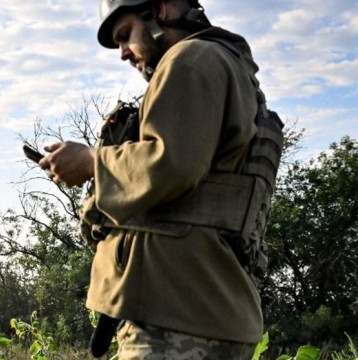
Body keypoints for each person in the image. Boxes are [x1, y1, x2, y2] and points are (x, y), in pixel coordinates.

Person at [38, 0, 283, 358]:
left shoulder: (189, 59)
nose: (123, 53)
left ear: (161, 11)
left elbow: (170, 163)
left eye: (125, 36)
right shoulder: (223, 65)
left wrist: (90, 160)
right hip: (203, 310)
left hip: (175, 319)